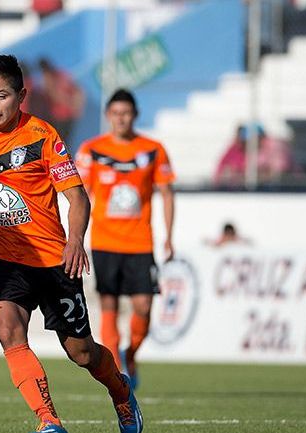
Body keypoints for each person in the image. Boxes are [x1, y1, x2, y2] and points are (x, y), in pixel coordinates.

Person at [0, 54, 142, 433]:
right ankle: (48, 422)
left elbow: (78, 197)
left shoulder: (43, 136)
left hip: (53, 259)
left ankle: (120, 392)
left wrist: (74, 242)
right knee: (8, 329)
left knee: (81, 352)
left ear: (21, 95)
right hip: (0, 257)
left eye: (1, 95)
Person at [75, 88, 175, 391]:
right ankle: (118, 374)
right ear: (108, 116)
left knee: (144, 306)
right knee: (109, 305)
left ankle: (130, 354)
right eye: (116, 113)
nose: (121, 119)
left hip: (140, 243)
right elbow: (79, 196)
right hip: (105, 242)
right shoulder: (91, 149)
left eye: (126, 113)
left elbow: (167, 193)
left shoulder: (153, 149)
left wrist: (169, 237)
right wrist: (75, 237)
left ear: (135, 115)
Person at [37, 58, 84, 148]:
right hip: (57, 117)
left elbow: (78, 91)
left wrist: (76, 105)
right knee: (59, 143)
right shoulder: (49, 79)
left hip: (64, 117)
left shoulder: (60, 76)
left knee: (61, 143)